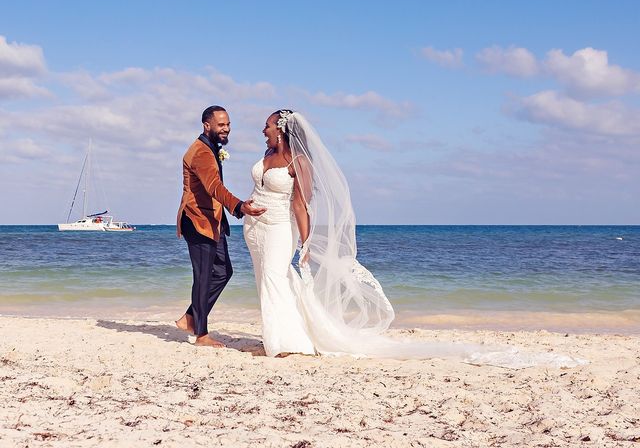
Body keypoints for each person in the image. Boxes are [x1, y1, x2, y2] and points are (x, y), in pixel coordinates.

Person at [243, 110, 586, 368]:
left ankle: (288, 342)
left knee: (276, 277)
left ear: (283, 128)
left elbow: (302, 203)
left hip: (279, 228)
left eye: (269, 125)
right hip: (255, 227)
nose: (264, 129)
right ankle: (282, 336)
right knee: (269, 279)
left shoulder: (299, 160)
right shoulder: (268, 156)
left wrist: (306, 242)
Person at [175, 105, 266, 347]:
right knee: (203, 276)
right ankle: (200, 334)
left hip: (213, 221)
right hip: (198, 220)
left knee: (223, 271)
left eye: (228, 125)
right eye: (221, 125)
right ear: (207, 125)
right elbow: (214, 187)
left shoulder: (209, 148)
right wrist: (240, 207)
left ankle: (191, 317)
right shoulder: (202, 153)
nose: (226, 129)